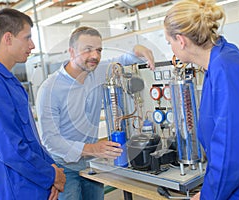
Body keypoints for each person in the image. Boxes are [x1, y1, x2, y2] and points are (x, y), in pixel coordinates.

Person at [36, 26, 155, 200]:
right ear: (71, 51)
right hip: (64, 167)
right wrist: (93, 148)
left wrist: (139, 48)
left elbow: (126, 58)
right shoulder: (49, 89)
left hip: (92, 163)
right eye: (88, 50)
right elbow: (50, 140)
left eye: (99, 50)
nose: (95, 56)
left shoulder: (97, 71)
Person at [0, 8, 65, 200]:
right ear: (8, 38)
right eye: (27, 38)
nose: (33, 45)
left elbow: (31, 139)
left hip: (35, 185)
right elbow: (9, 148)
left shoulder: (9, 81)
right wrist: (51, 175)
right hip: (17, 191)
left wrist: (53, 171)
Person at [164, 0, 239, 199]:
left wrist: (209, 195)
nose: (171, 48)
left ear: (181, 40)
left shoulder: (224, 69)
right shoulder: (220, 60)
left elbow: (231, 153)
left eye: (169, 42)